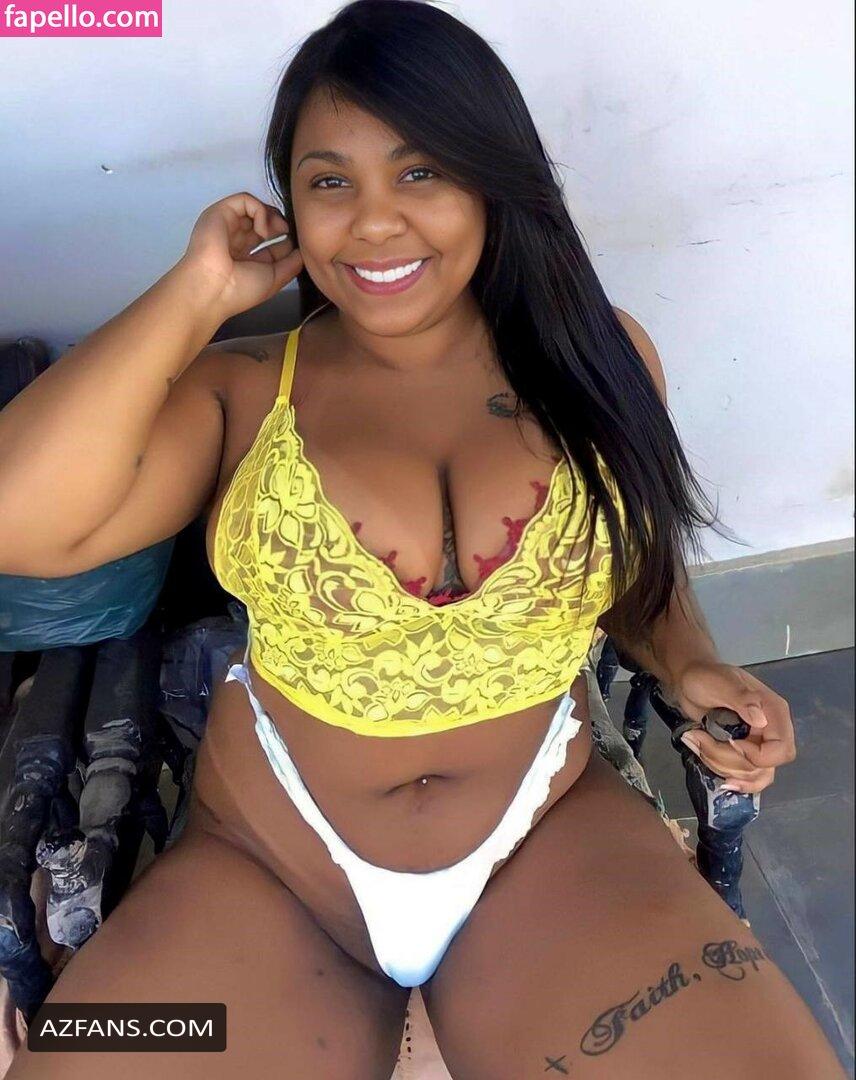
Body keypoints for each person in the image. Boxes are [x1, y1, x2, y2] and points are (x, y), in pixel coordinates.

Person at [0, 1, 845, 1077]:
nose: (374, 223)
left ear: (492, 182)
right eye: (329, 183)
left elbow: (634, 562)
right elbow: (17, 525)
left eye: (421, 172)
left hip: (546, 839)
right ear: (288, 204)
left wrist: (689, 663)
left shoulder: (599, 359)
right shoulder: (243, 392)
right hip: (271, 862)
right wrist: (199, 289)